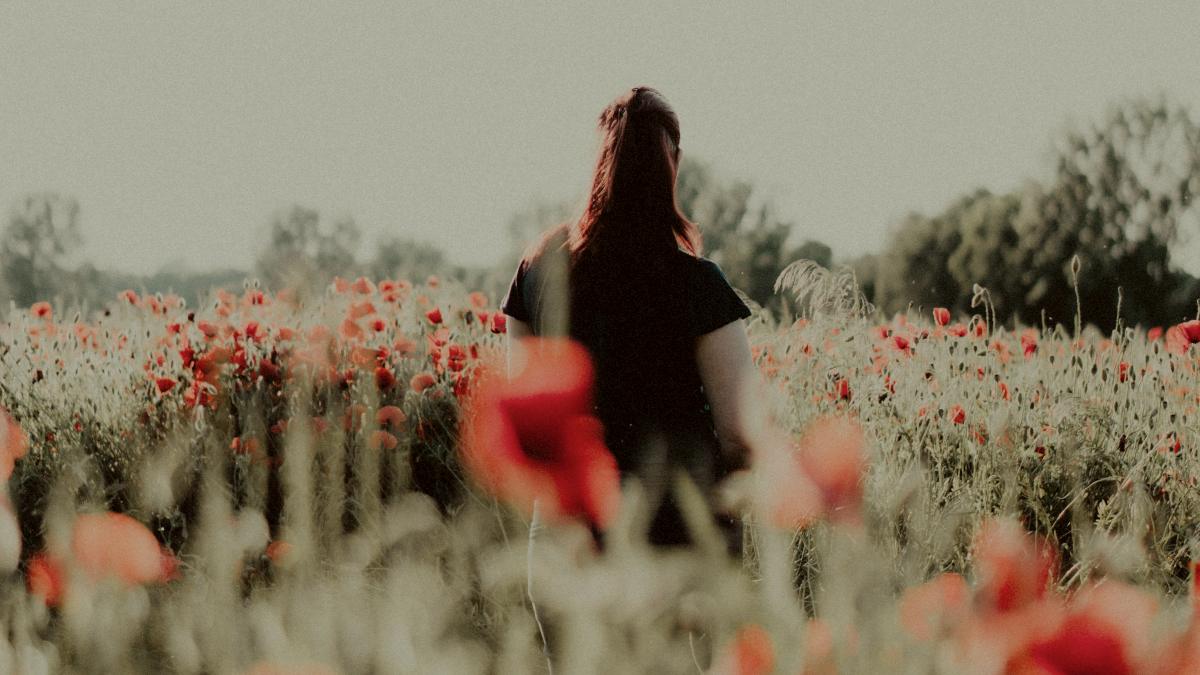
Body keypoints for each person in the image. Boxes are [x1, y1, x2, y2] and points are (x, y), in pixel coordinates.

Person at [500, 86, 758, 556]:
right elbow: (740, 436)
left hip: (566, 533)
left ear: (598, 161)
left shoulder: (540, 270)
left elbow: (524, 399)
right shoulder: (698, 285)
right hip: (676, 535)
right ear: (672, 163)